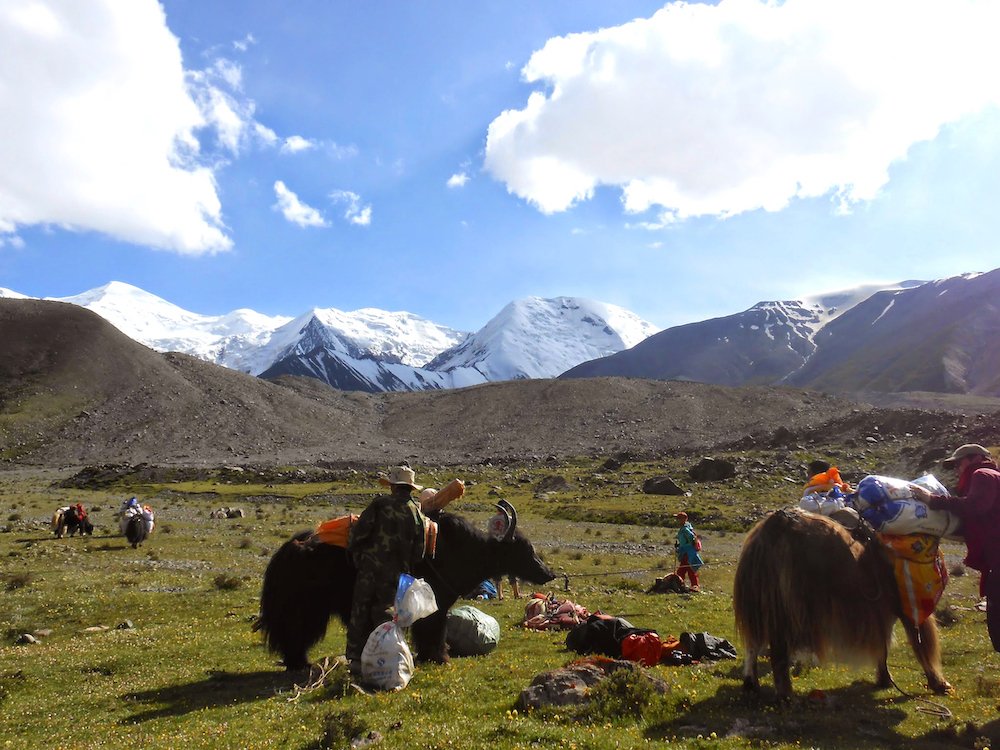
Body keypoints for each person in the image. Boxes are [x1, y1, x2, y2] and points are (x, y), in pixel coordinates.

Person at [912, 443, 1000, 651]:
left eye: (959, 464)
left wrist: (932, 500)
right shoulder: (993, 476)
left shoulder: (981, 474)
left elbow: (975, 506)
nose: (958, 469)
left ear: (973, 459)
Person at [345, 465, 428, 676]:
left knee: (360, 610)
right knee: (387, 614)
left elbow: (359, 533)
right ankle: (387, 660)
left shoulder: (380, 505)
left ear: (393, 486)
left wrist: (355, 554)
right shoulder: (416, 513)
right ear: (410, 488)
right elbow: (420, 551)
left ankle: (355, 659)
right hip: (397, 575)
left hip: (369, 568)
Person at [673, 511, 703, 592]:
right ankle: (685, 584)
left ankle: (691, 585)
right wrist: (679, 546)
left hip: (688, 552)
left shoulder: (685, 529)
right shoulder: (685, 528)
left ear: (684, 519)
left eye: (678, 518)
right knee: (686, 569)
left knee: (686, 569)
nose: (677, 520)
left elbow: (691, 539)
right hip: (686, 551)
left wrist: (685, 547)